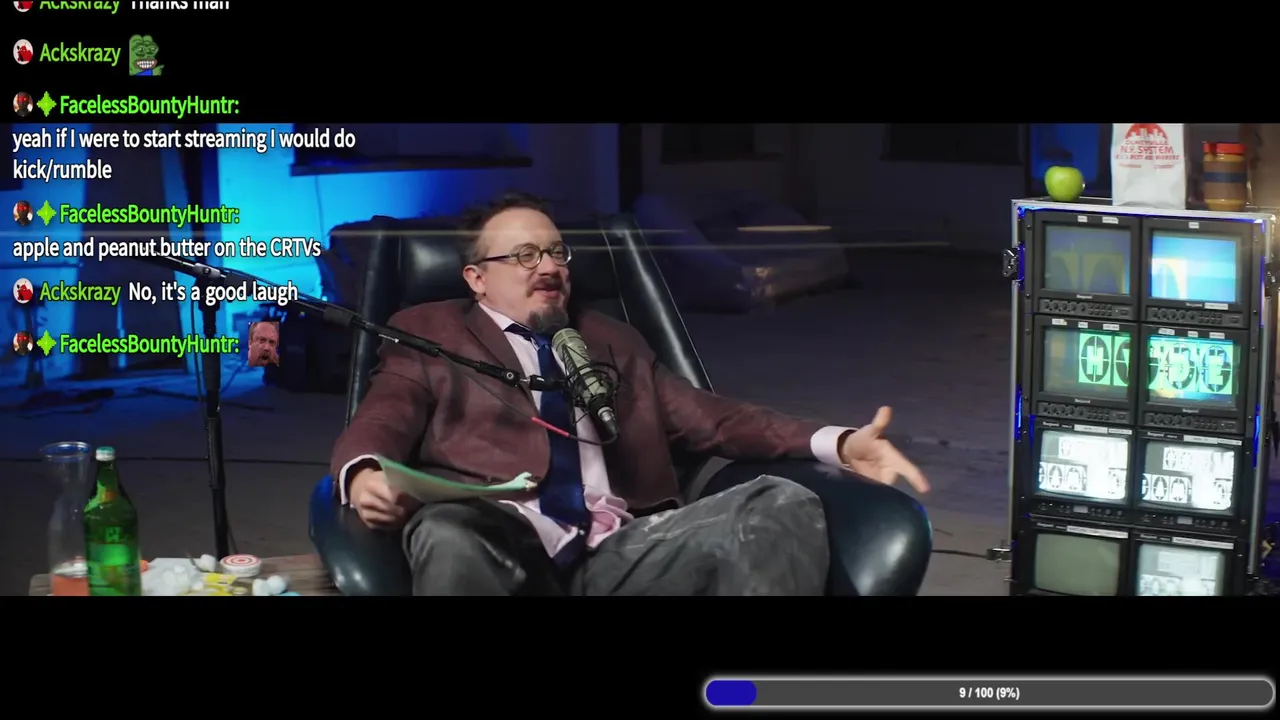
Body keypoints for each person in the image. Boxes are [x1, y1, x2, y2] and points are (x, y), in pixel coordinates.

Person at [330, 192, 929, 596]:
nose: (548, 266)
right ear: (477, 278)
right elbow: (384, 415)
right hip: (496, 538)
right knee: (445, 535)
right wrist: (363, 473)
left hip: (621, 551)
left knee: (781, 503)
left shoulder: (609, 338)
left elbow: (713, 418)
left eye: (557, 252)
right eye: (524, 255)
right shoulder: (429, 332)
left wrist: (838, 442)